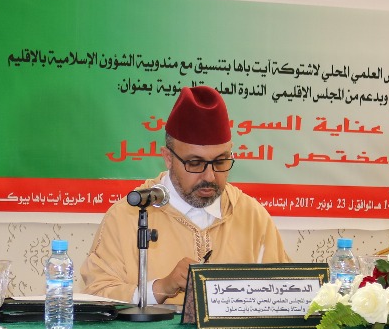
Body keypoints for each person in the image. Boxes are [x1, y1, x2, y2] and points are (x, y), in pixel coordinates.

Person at [80, 85, 290, 306]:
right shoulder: (128, 216)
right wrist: (160, 288)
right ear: (168, 158)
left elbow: (285, 291)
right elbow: (96, 294)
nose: (210, 176)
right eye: (195, 163)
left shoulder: (252, 217)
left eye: (220, 161)